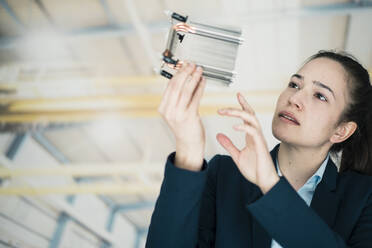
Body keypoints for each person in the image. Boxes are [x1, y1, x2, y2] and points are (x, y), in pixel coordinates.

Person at [145, 50, 372, 248]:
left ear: (341, 131)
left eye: (320, 96)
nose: (294, 98)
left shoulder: (363, 198)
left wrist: (270, 185)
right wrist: (188, 150)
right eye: (294, 84)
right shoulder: (225, 175)